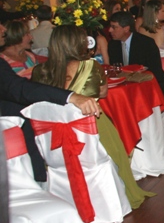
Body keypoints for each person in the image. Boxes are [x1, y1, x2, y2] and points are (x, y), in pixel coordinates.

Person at [32, 25, 155, 208]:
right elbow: (103, 92)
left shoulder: (39, 71)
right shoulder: (90, 66)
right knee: (117, 150)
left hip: (54, 133)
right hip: (89, 126)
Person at [0, 22, 101, 182]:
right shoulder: (89, 65)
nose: (3, 29)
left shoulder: (34, 61)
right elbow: (18, 88)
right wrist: (71, 96)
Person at [107, 11, 164, 101]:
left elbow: (155, 71)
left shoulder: (146, 44)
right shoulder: (113, 45)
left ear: (126, 29)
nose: (110, 30)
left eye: (114, 27)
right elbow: (115, 69)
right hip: (125, 89)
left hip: (146, 88)